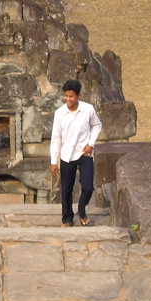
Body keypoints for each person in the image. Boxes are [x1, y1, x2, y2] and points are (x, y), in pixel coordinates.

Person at [50, 79, 101, 226]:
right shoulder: (60, 113)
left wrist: (90, 144)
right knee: (66, 188)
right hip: (66, 155)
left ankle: (81, 209)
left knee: (88, 186)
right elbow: (55, 138)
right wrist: (54, 161)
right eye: (65, 96)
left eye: (71, 96)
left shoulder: (88, 110)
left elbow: (97, 125)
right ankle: (67, 218)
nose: (68, 99)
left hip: (84, 154)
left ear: (78, 95)